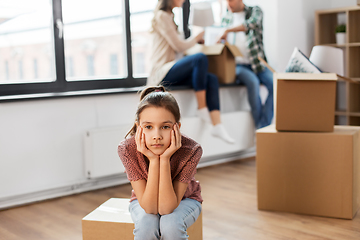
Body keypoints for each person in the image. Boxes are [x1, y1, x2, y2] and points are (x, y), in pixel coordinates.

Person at [118, 86, 203, 240]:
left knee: (171, 224)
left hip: (185, 199)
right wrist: (152, 159)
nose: (157, 136)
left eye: (165, 127)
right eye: (148, 127)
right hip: (143, 199)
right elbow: (150, 208)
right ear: (139, 128)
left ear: (177, 127)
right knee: (146, 224)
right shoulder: (127, 149)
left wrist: (163, 159)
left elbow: (166, 208)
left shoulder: (191, 150)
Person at [147, 0, 235, 144]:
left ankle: (217, 125)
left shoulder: (170, 17)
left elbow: (182, 51)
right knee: (200, 58)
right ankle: (202, 108)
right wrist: (196, 37)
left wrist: (199, 42)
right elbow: (179, 46)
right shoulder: (162, 16)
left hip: (172, 68)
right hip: (162, 71)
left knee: (211, 78)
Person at [218, 0, 273, 129]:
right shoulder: (226, 19)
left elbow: (251, 24)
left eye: (231, 0)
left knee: (275, 84)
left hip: (257, 63)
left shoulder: (255, 11)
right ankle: (261, 128)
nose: (228, 4)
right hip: (238, 66)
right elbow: (221, 43)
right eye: (226, 1)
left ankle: (264, 124)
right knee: (253, 83)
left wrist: (228, 30)